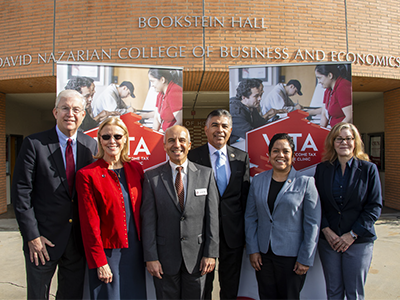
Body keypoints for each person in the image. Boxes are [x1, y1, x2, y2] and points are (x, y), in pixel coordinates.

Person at [11, 90, 97, 299]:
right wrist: (32, 236)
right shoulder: (34, 144)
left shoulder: (91, 146)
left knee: (71, 295)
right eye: (65, 108)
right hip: (42, 242)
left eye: (76, 109)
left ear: (83, 115)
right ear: (55, 112)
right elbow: (21, 193)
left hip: (76, 241)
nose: (70, 114)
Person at [141, 125, 219, 299]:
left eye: (182, 140)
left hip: (198, 259)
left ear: (189, 145)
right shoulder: (151, 177)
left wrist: (210, 254)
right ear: (164, 146)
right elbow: (148, 222)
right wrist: (151, 257)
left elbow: (212, 218)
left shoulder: (205, 175)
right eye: (171, 140)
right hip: (164, 260)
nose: (177, 144)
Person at [75, 116, 146, 299]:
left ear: (125, 139)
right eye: (106, 137)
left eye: (117, 136)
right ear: (99, 140)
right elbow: (89, 223)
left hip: (136, 252)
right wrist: (100, 261)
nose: (112, 141)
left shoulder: (136, 168)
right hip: (107, 253)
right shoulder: (87, 175)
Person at [245, 133, 321, 300]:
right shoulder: (258, 181)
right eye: (275, 151)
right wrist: (253, 249)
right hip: (263, 256)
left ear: (293, 156)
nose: (280, 155)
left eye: (285, 151)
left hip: (292, 258)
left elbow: (313, 223)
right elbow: (250, 217)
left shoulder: (305, 182)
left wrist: (305, 258)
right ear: (269, 155)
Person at [314, 122, 382, 300]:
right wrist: (326, 230)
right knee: (333, 291)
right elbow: (316, 204)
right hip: (329, 241)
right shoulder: (322, 169)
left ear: (355, 142)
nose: (344, 142)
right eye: (339, 139)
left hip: (358, 241)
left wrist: (352, 234)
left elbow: (374, 206)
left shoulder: (369, 169)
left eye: (348, 138)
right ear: (333, 142)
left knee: (354, 293)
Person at [188, 109, 250, 300]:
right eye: (214, 125)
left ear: (230, 130)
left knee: (230, 287)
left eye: (224, 126)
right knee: (203, 287)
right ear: (206, 130)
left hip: (233, 234)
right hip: (202, 234)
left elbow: (245, 199)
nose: (219, 130)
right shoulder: (192, 156)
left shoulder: (241, 158)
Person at [230, 78, 287, 143]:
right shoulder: (235, 112)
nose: (260, 98)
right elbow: (251, 134)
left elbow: (260, 124)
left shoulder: (251, 106)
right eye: (256, 96)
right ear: (244, 97)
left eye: (260, 95)